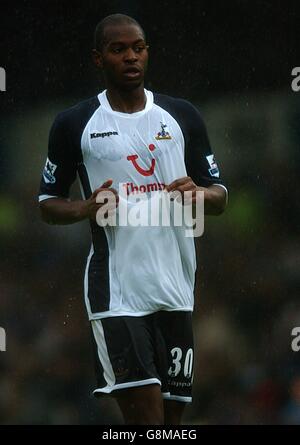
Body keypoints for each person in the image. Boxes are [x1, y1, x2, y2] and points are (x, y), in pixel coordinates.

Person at [38, 13, 228, 425]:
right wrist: (86, 207)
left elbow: (219, 195)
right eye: (118, 49)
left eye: (138, 48)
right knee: (146, 419)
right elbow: (47, 203)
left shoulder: (182, 116)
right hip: (117, 292)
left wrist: (199, 193)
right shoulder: (75, 123)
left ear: (147, 53)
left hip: (176, 288)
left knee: (171, 425)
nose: (130, 57)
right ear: (98, 58)